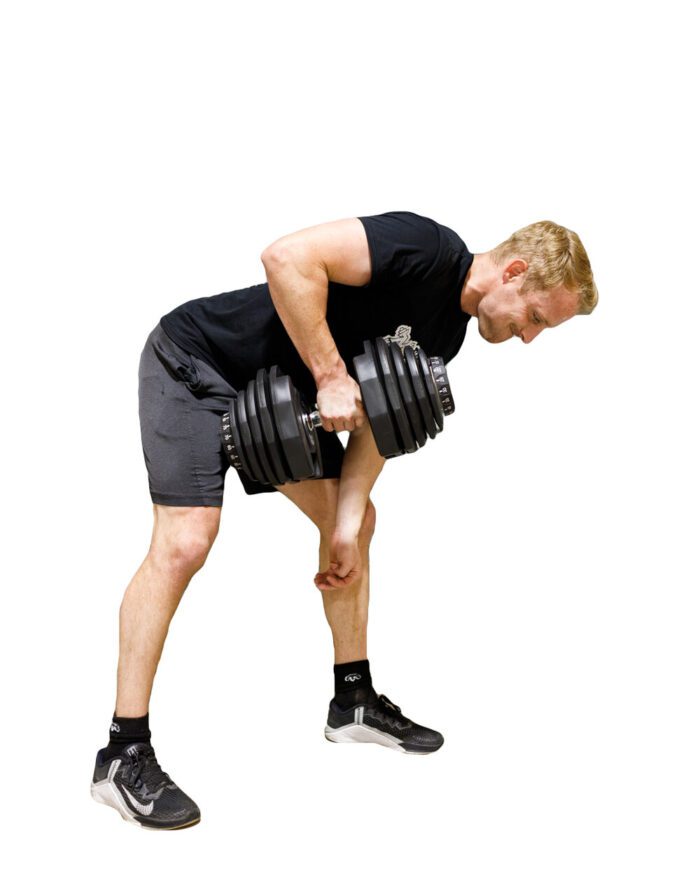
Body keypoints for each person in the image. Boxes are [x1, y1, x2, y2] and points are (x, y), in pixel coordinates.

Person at [90, 211, 598, 829]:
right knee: (187, 538)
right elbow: (287, 257)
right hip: (197, 365)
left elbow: (379, 423)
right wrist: (331, 376)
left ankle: (352, 699)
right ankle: (122, 753)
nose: (528, 338)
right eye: (538, 318)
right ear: (515, 272)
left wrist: (345, 524)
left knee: (358, 525)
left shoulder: (448, 333)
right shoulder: (426, 247)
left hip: (267, 408)